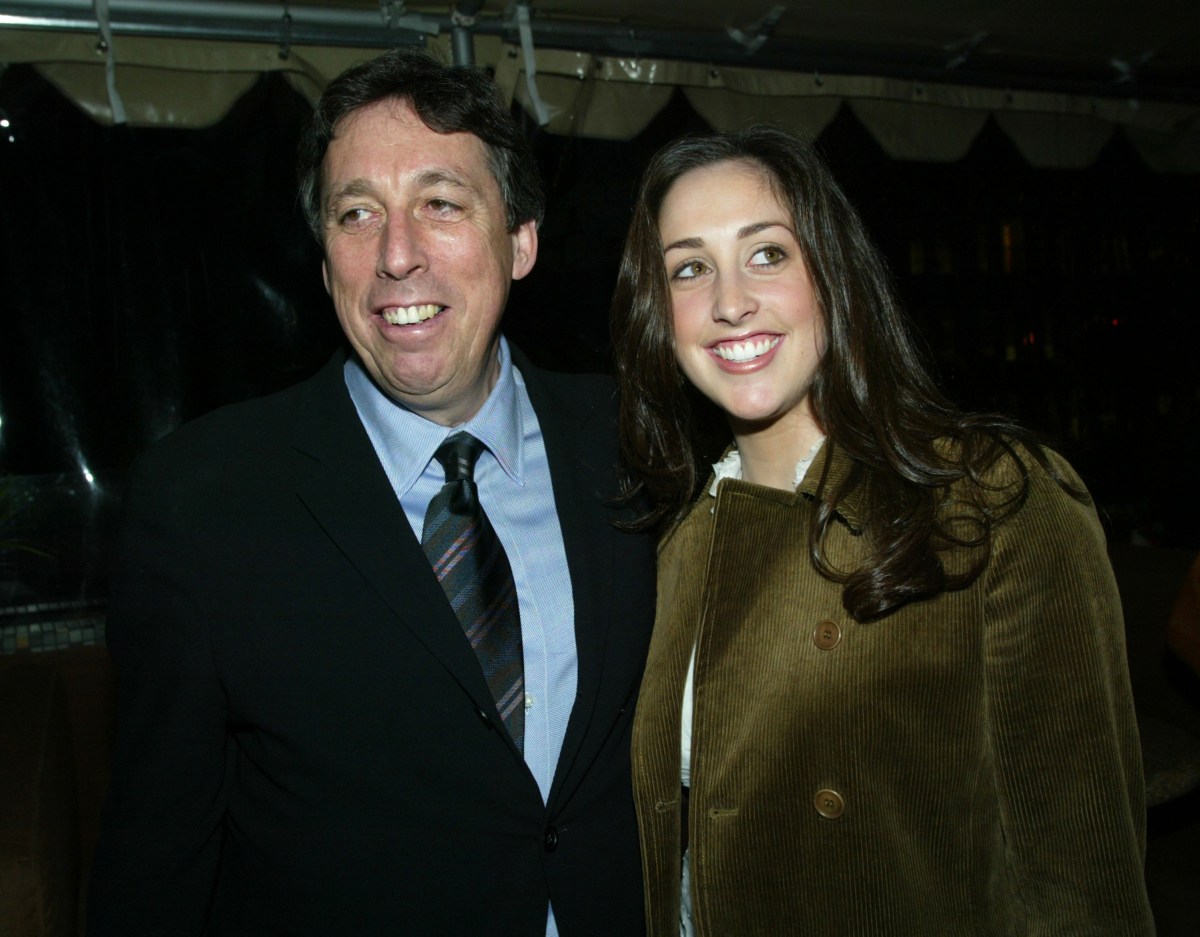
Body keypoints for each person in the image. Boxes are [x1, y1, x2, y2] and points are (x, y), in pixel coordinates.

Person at [88, 48, 654, 936]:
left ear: (520, 240)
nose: (397, 255)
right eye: (357, 214)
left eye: (440, 202)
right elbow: (155, 855)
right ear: (323, 265)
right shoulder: (205, 502)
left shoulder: (631, 445)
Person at [610, 126, 1154, 935]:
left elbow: (1084, 874)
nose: (729, 301)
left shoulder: (991, 498)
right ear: (661, 312)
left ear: (832, 273)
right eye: (690, 268)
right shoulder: (675, 538)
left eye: (767, 254)